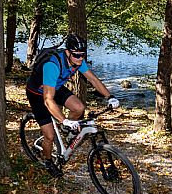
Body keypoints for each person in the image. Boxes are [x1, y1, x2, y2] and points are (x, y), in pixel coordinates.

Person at [26, 34, 119, 177]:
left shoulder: (78, 60)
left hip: (55, 87)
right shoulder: (52, 65)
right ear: (68, 52)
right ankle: (49, 162)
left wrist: (110, 97)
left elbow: (93, 79)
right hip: (38, 94)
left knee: (79, 108)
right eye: (76, 55)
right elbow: (48, 99)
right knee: (49, 136)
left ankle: (67, 131)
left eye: (83, 55)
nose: (80, 59)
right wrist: (64, 119)